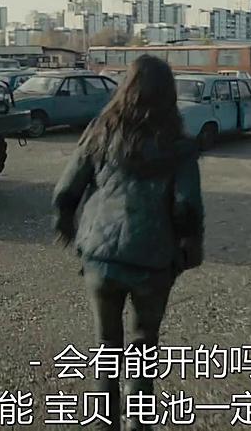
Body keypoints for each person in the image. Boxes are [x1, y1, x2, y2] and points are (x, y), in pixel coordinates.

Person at [52, 55, 204, 431]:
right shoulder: (179, 144)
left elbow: (68, 187)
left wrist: (68, 226)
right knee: (143, 346)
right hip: (153, 260)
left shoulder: (102, 130)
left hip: (101, 256)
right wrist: (188, 248)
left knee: (106, 346)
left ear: (127, 87)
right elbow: (186, 205)